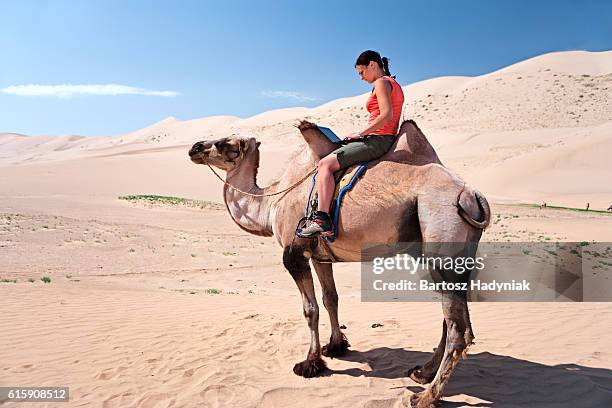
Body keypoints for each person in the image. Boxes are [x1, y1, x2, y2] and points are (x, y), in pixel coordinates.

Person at [298, 50, 405, 237]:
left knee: (324, 164)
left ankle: (322, 219)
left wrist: (361, 133)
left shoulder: (381, 82)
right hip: (380, 138)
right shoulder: (392, 82)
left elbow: (386, 115)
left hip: (378, 141)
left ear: (372, 65)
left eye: (362, 72)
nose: (361, 78)